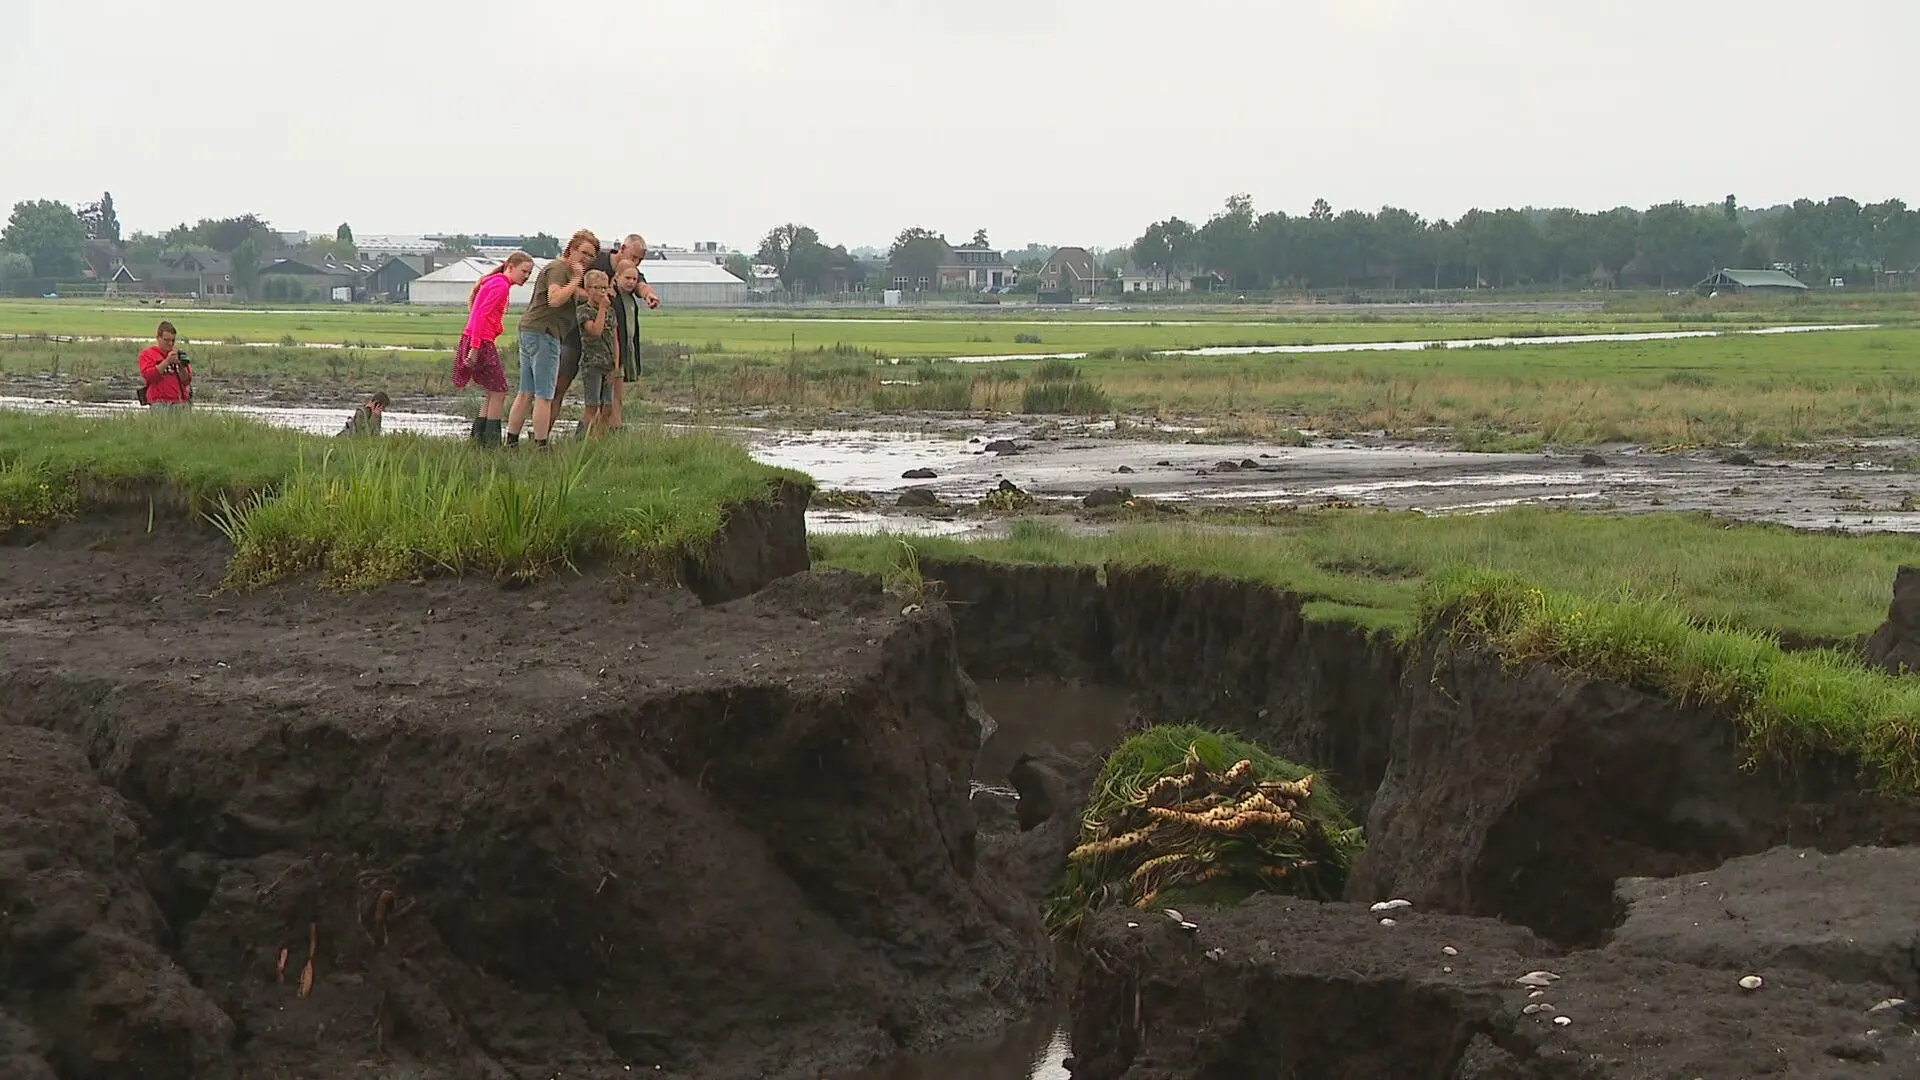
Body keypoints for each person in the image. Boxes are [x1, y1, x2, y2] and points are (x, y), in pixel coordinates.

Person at [506, 230, 598, 449]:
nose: (586, 259)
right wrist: (577, 278)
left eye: (591, 255)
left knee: (526, 391)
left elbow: (574, 295)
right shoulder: (560, 269)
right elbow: (555, 298)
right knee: (544, 394)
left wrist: (596, 293)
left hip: (531, 329)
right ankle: (541, 446)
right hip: (544, 333)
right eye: (583, 252)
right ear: (571, 249)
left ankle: (511, 442)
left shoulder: (562, 271)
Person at [553, 233, 660, 414]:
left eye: (639, 260)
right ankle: (542, 436)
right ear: (622, 249)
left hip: (605, 343)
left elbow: (640, 284)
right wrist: (596, 296)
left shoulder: (629, 272)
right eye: (633, 257)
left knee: (607, 398)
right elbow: (569, 286)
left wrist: (649, 295)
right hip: (575, 334)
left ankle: (594, 436)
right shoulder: (596, 261)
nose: (635, 263)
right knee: (558, 388)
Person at [456, 252, 533, 447]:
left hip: (477, 339)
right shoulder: (500, 286)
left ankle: (478, 438)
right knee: (499, 391)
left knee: (492, 390)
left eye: (529, 273)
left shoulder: (494, 282)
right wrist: (475, 348)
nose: (526, 276)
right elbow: (480, 316)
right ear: (510, 267)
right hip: (480, 341)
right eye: (524, 271)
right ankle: (492, 442)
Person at [573, 270, 618, 438]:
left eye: (604, 288)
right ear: (588, 289)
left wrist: (615, 365)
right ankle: (580, 439)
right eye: (598, 288)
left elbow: (615, 339)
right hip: (591, 364)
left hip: (608, 363)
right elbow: (596, 331)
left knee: (607, 407)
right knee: (592, 406)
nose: (602, 292)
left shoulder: (611, 312)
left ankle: (598, 439)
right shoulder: (583, 311)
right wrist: (602, 309)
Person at [609, 260, 645, 431]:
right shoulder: (611, 297)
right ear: (617, 277)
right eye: (627, 278)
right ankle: (614, 428)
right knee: (613, 396)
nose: (631, 282)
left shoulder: (630, 298)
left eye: (634, 279)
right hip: (614, 351)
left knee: (618, 395)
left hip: (627, 348)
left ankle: (614, 427)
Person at [137, 321, 193, 407]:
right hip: (159, 402)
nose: (170, 343)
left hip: (180, 402)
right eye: (166, 340)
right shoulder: (148, 354)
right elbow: (150, 376)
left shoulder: (178, 354)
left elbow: (186, 381)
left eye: (172, 340)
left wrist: (181, 366)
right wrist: (167, 361)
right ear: (158, 338)